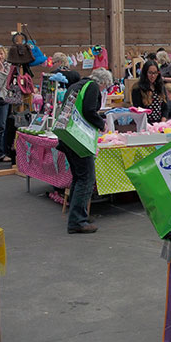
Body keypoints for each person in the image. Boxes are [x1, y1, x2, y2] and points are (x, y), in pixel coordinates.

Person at [57, 68, 110, 234]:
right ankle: (78, 221)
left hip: (67, 137)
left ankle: (78, 214)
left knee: (78, 177)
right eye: (105, 87)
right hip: (79, 139)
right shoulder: (92, 87)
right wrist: (102, 124)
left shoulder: (76, 85)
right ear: (103, 83)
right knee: (87, 178)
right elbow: (89, 110)